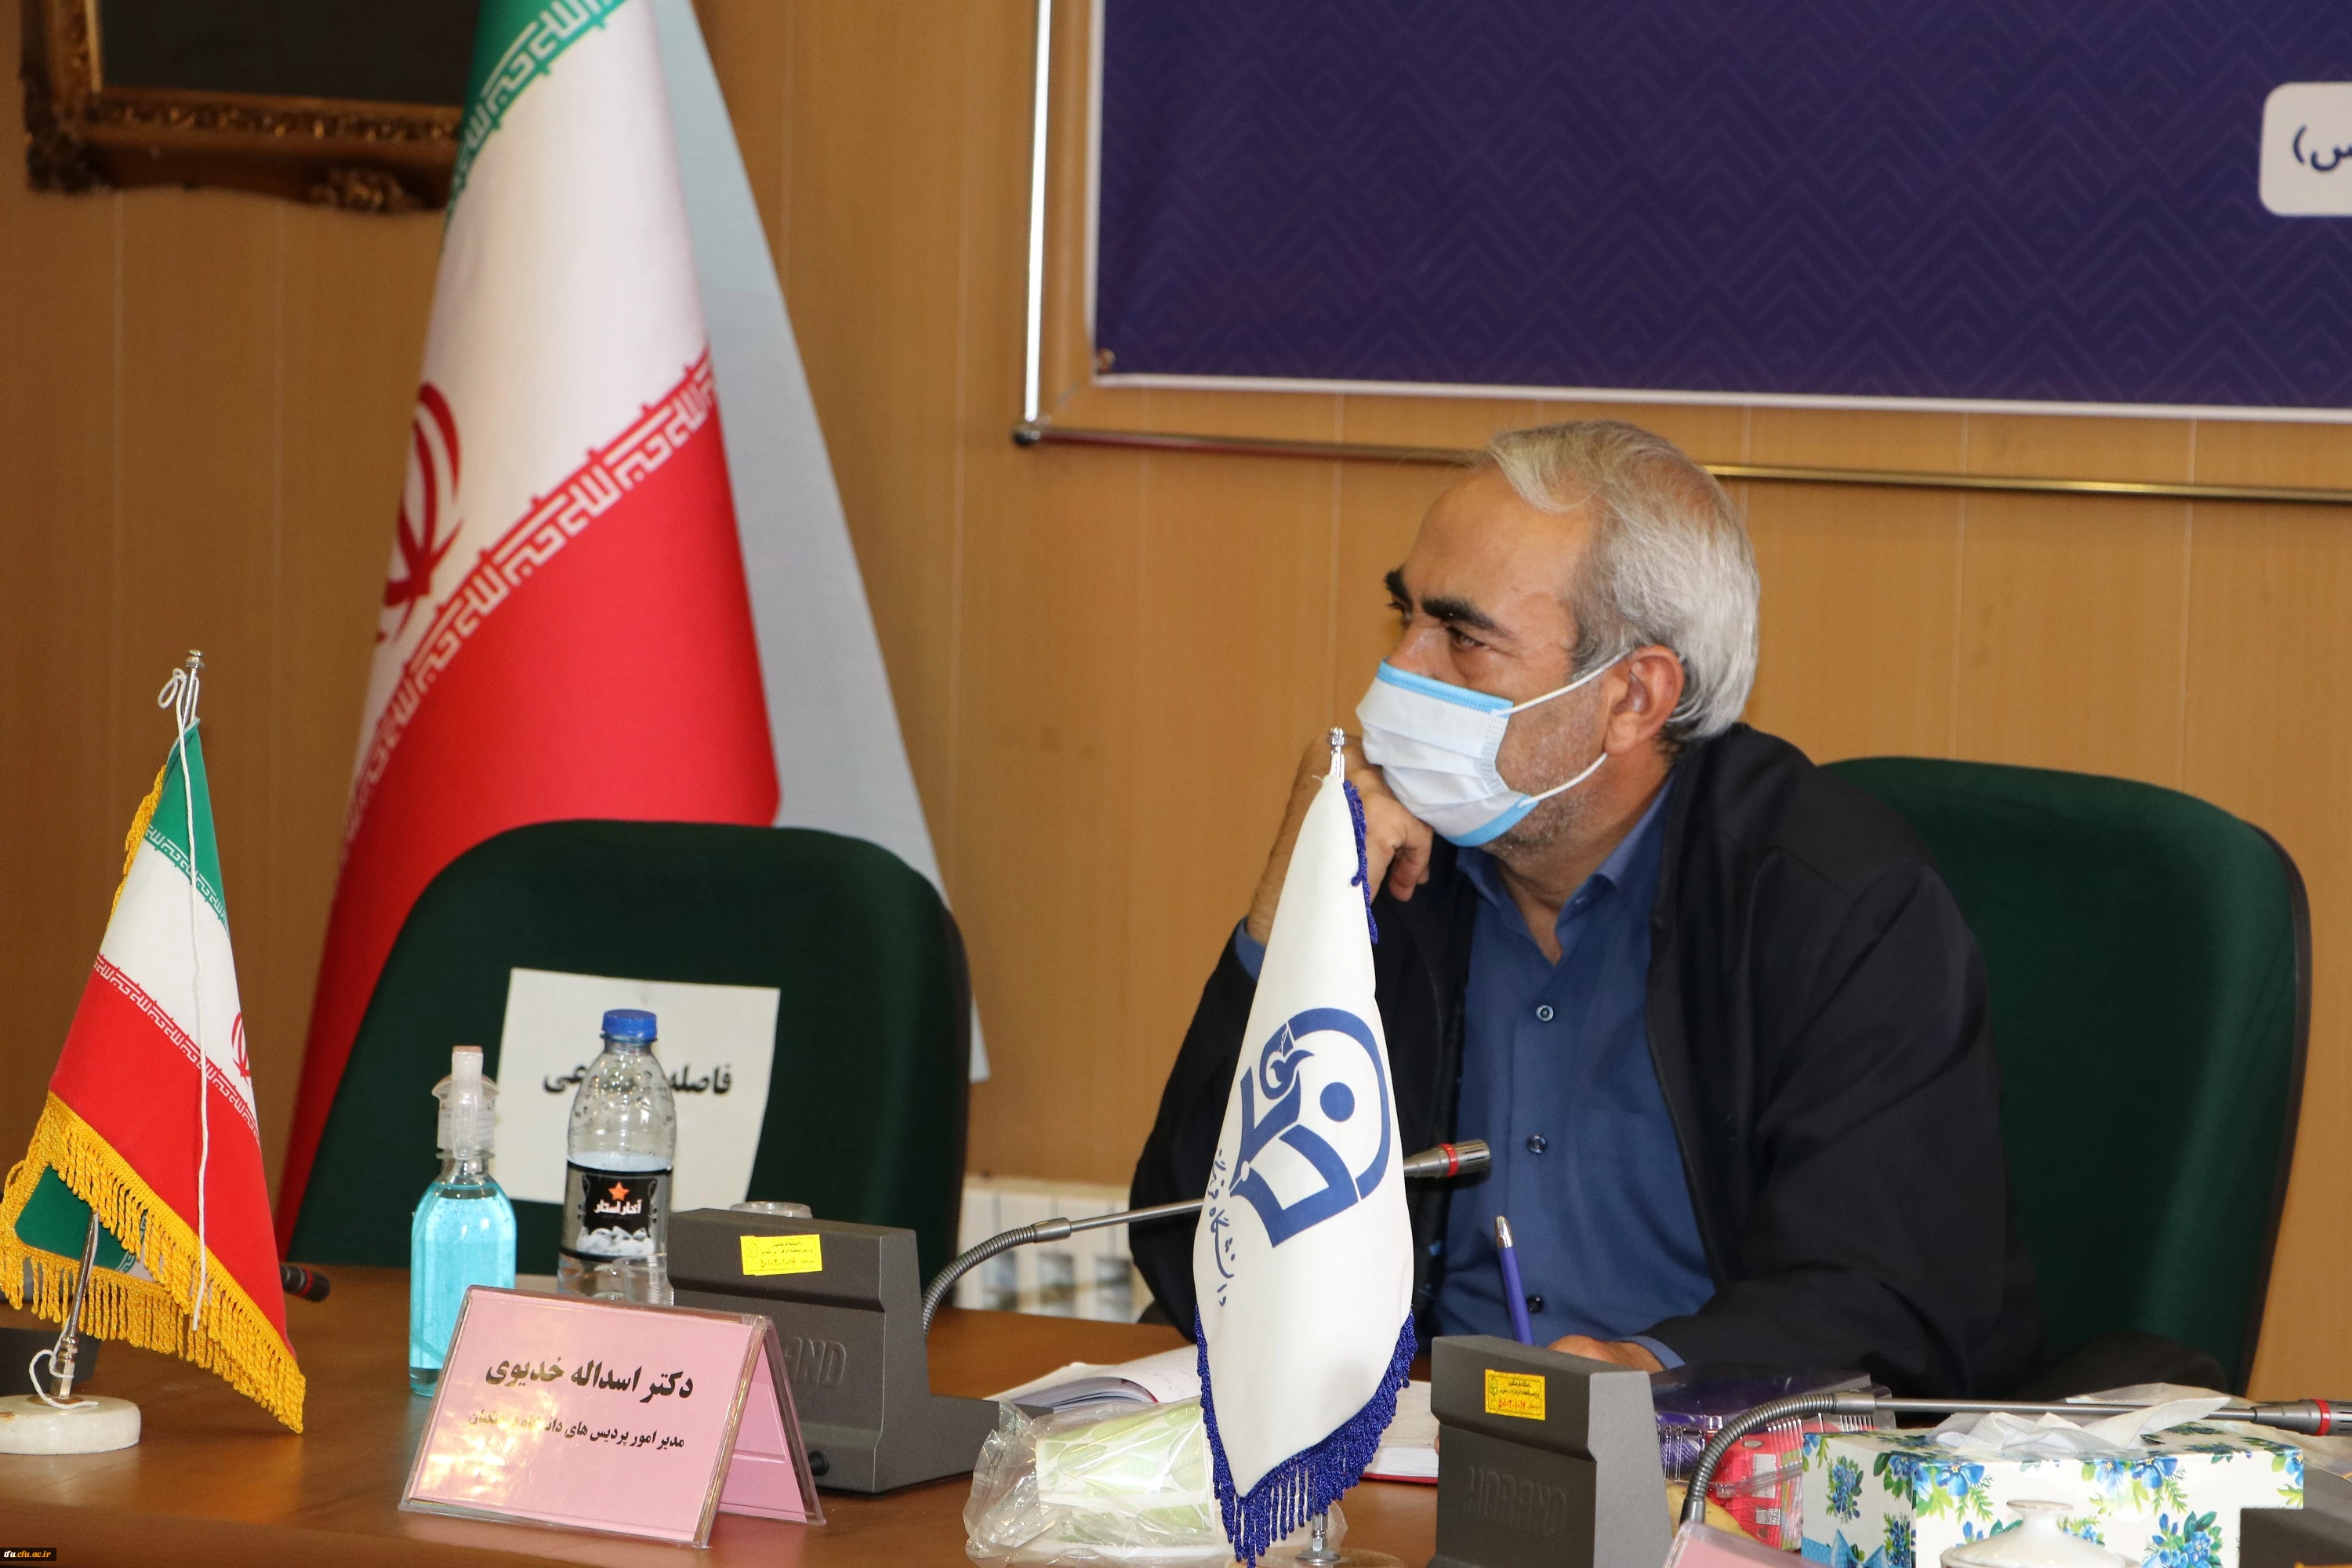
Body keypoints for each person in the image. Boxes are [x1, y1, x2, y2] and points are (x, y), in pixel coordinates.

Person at [1129, 420, 2042, 1396]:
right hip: (1414, 1439)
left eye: (1463, 638)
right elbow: (1192, 1250)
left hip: (1715, 1459)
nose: (1396, 674)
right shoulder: (1392, 861)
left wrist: (1645, 1373)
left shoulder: (1839, 904)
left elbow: (1891, 1297)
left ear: (1633, 697)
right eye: (1404, 616)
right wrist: (1291, 910)